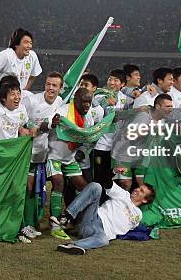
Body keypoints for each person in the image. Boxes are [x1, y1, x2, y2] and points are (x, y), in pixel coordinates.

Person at [47, 87, 102, 240]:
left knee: (84, 188)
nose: (86, 105)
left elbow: (90, 137)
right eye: (84, 102)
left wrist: (83, 151)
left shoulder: (88, 118)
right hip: (54, 155)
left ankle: (73, 219)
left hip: (70, 158)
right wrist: (53, 123)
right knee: (59, 182)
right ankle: (55, 224)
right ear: (75, 100)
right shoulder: (63, 111)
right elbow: (47, 124)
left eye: (89, 102)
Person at [53, 179, 155, 255]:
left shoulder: (139, 215)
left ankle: (72, 245)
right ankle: (67, 216)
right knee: (96, 186)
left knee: (104, 241)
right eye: (138, 187)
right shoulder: (124, 195)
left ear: (145, 200)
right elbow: (107, 182)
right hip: (92, 217)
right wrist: (113, 171)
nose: (137, 189)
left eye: (141, 191)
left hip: (99, 232)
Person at [20, 72, 64, 242]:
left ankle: (32, 224)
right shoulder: (32, 101)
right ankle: (24, 225)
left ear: (60, 88)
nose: (50, 88)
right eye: (48, 84)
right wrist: (30, 125)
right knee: (28, 188)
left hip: (42, 154)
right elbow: (20, 118)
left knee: (37, 191)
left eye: (54, 85)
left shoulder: (60, 103)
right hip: (26, 152)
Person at [112, 93, 174, 190]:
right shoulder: (143, 116)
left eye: (171, 106)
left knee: (143, 184)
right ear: (158, 107)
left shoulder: (162, 119)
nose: (170, 109)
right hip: (123, 154)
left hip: (140, 156)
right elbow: (128, 134)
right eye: (167, 106)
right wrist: (150, 128)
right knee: (126, 184)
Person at [92, 69, 131, 187]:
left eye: (116, 80)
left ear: (123, 84)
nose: (111, 82)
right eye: (110, 79)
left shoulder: (124, 98)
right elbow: (92, 107)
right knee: (99, 178)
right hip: (101, 144)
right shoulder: (99, 95)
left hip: (116, 146)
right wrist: (105, 102)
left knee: (112, 178)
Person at [0, 28, 42, 92]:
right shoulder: (6, 56)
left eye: (31, 43)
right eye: (26, 42)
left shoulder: (32, 56)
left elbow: (33, 75)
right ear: (16, 44)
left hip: (17, 95)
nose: (29, 46)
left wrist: (25, 90)